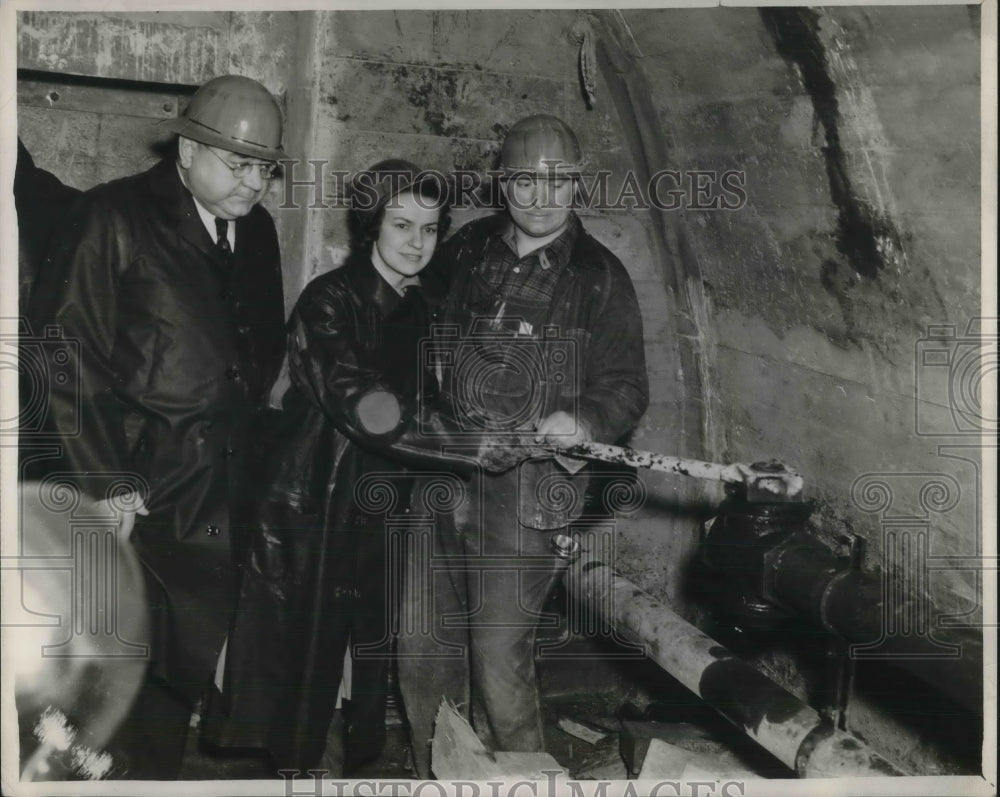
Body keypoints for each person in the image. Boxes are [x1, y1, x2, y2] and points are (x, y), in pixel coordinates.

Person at [26, 74, 288, 778]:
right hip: (130, 501)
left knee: (175, 684)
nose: (253, 182)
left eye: (264, 166)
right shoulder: (111, 218)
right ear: (185, 150)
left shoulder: (255, 232)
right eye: (238, 163)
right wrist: (107, 481)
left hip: (213, 494)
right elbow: (61, 357)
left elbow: (258, 349)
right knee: (112, 689)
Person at [396, 114, 650, 777]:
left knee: (500, 665)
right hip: (444, 469)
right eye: (524, 183)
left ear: (577, 183)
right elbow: (419, 338)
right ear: (500, 183)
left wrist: (583, 419)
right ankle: (439, 778)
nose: (541, 198)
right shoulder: (467, 248)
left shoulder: (600, 277)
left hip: (527, 493)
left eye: (557, 182)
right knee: (424, 647)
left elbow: (625, 388)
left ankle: (524, 785)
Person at [203, 160, 460, 776]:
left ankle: (349, 763)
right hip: (312, 496)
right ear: (371, 227)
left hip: (379, 501)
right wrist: (469, 444)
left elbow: (429, 399)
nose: (415, 242)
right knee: (306, 647)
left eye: (429, 228)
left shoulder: (423, 309)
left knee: (364, 649)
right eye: (401, 224)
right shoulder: (331, 300)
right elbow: (363, 402)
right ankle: (298, 766)